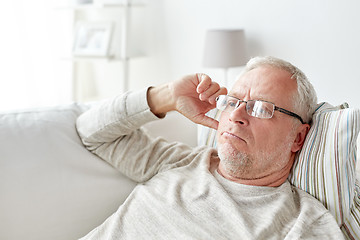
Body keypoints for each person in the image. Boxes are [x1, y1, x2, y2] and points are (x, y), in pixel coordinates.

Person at [76, 56, 345, 239]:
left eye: (262, 108)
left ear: (298, 138)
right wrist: (167, 96)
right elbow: (91, 132)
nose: (237, 115)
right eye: (233, 101)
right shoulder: (181, 161)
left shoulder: (302, 225)